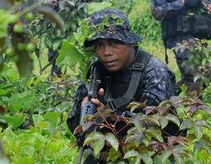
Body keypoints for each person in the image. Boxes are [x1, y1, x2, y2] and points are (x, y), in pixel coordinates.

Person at [67, 8, 176, 163]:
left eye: (114, 42)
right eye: (99, 45)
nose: (106, 52)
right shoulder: (95, 71)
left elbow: (151, 127)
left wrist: (107, 117)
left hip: (148, 154)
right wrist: (84, 110)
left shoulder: (155, 71)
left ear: (129, 42)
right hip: (107, 153)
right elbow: (75, 127)